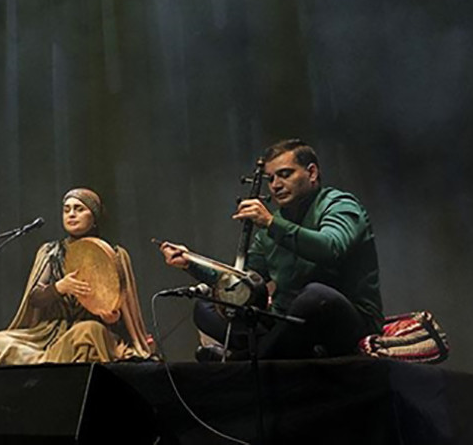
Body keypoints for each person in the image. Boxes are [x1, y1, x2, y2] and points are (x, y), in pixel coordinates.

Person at [158, 138, 383, 359]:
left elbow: (331, 248)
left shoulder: (339, 205)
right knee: (207, 307)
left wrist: (271, 223)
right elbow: (242, 281)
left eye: (285, 174)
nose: (276, 185)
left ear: (312, 173)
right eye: (271, 178)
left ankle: (243, 360)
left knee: (316, 295)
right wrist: (189, 263)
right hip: (286, 323)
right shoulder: (272, 227)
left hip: (342, 321)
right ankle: (272, 351)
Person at [0, 188, 153, 365]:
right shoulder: (50, 252)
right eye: (67, 210)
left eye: (79, 209)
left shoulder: (115, 254)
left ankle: (44, 364)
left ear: (94, 217)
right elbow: (34, 299)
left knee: (88, 331)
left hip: (89, 331)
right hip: (47, 335)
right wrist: (59, 288)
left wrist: (112, 320)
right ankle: (48, 362)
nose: (71, 214)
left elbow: (127, 318)